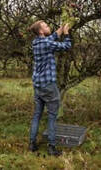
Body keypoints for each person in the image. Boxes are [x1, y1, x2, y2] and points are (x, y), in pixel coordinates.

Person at [28, 21, 71, 156]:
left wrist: (61, 27)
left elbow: (52, 37)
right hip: (48, 85)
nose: (48, 27)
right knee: (52, 116)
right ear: (41, 31)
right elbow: (66, 46)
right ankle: (52, 147)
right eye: (46, 26)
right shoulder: (47, 44)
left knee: (37, 115)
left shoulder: (36, 43)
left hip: (37, 85)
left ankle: (32, 143)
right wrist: (66, 33)